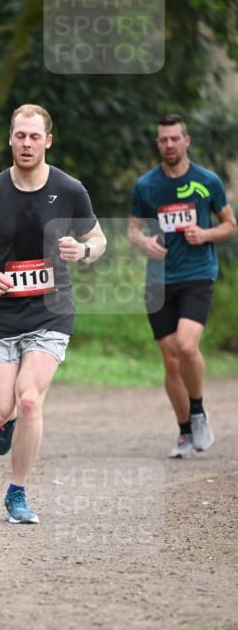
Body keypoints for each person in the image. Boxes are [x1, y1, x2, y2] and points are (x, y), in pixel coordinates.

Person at [0, 104, 106, 524]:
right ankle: (4, 425)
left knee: (29, 399)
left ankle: (17, 493)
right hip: (3, 315)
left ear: (47, 141)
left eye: (34, 136)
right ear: (10, 138)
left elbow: (98, 239)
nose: (26, 143)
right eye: (20, 135)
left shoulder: (70, 189)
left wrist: (85, 250)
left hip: (50, 312)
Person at [128, 113, 236, 458]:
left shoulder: (207, 181)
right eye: (163, 139)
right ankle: (185, 432)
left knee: (187, 347)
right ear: (158, 143)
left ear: (186, 140)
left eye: (175, 138)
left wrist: (204, 234)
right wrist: (145, 243)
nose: (169, 145)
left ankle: (199, 409)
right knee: (171, 360)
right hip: (158, 281)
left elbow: (229, 225)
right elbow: (133, 230)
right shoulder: (146, 186)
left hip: (196, 274)